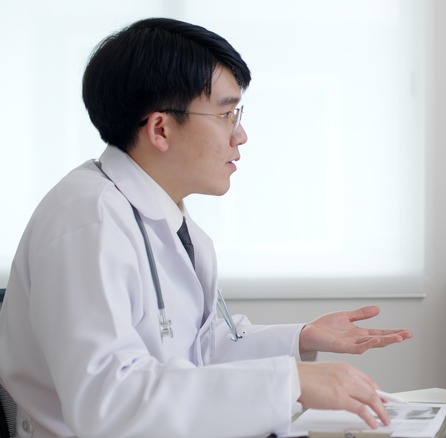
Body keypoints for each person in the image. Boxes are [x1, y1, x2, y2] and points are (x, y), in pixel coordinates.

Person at [0, 17, 412, 438]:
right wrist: (292, 382)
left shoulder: (163, 216)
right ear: (160, 128)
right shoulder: (88, 220)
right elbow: (109, 402)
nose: (242, 135)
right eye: (226, 114)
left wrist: (300, 339)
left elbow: (193, 352)